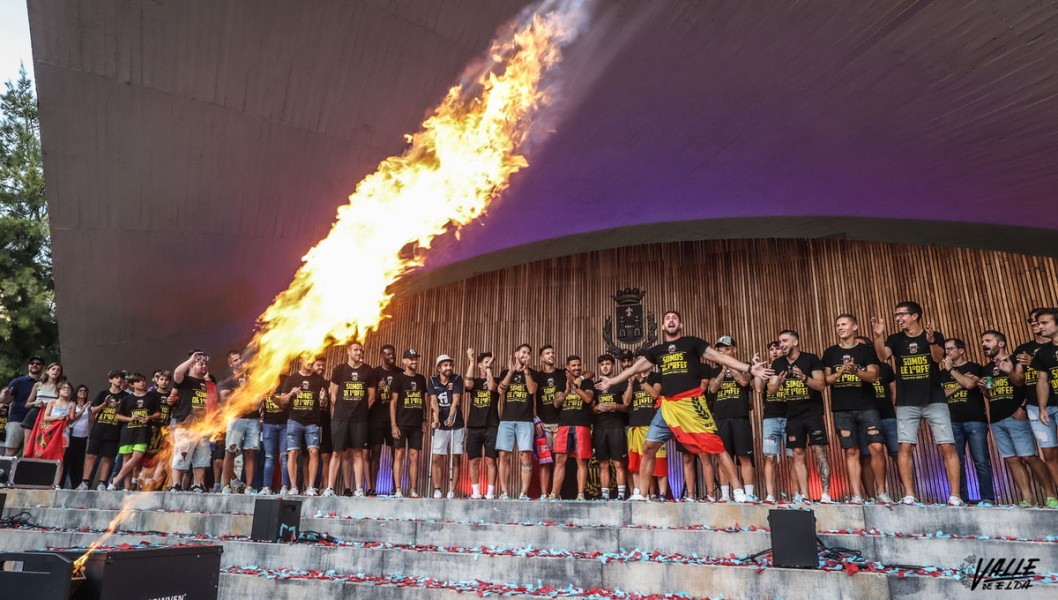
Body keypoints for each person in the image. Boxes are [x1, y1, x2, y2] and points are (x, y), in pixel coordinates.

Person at [595, 310, 770, 502]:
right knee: (648, 447)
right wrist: (611, 382)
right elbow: (634, 369)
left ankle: (738, 491)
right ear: (663, 326)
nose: (671, 320)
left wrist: (749, 368)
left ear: (681, 325)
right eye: (667, 318)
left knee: (716, 447)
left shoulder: (692, 343)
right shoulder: (657, 350)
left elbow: (718, 357)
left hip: (691, 403)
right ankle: (641, 495)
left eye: (674, 318)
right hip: (668, 406)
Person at [871, 300, 963, 505]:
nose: (898, 318)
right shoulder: (895, 339)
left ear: (915, 316)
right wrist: (878, 336)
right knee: (905, 447)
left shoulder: (934, 335)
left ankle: (955, 495)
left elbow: (939, 359)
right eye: (896, 315)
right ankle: (910, 494)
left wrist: (931, 341)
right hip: (906, 402)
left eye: (902, 314)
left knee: (947, 445)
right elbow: (881, 356)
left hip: (934, 398)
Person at [980, 330, 1058, 507]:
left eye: (988, 341)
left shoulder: (1015, 360)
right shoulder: (987, 367)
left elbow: (1023, 383)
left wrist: (1022, 408)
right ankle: (1028, 498)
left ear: (1000, 343)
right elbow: (989, 394)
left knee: (1029, 456)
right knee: (1011, 459)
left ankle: (1051, 494)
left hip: (1016, 415)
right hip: (997, 418)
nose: (984, 344)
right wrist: (984, 388)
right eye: (982, 342)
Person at [822, 315, 885, 504]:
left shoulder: (866, 350)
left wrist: (856, 371)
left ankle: (881, 492)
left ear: (855, 326)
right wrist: (841, 371)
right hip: (842, 409)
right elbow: (826, 380)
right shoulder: (830, 352)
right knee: (851, 451)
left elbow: (874, 376)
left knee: (876, 447)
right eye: (837, 325)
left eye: (844, 324)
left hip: (867, 407)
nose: (840, 328)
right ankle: (857, 495)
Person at [768, 330, 831, 503]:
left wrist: (804, 378)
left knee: (819, 452)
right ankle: (805, 495)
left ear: (795, 342)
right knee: (797, 453)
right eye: (780, 341)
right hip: (792, 415)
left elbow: (821, 385)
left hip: (813, 413)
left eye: (785, 340)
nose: (781, 344)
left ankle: (825, 493)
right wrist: (776, 384)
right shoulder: (778, 363)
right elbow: (771, 391)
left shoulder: (810, 359)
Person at [940, 338, 995, 505]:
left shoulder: (974, 367)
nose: (947, 352)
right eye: (946, 350)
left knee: (981, 460)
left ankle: (987, 498)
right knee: (957, 462)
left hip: (975, 420)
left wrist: (953, 371)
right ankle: (960, 497)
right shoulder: (942, 373)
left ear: (961, 350)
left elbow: (971, 384)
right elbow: (943, 394)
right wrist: (959, 385)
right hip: (952, 420)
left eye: (950, 349)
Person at [707, 337, 755, 502]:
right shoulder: (713, 371)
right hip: (720, 418)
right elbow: (712, 388)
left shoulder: (744, 366)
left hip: (740, 417)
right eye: (719, 349)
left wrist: (731, 365)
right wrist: (722, 369)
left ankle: (749, 495)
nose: (723, 351)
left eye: (726, 349)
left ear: (734, 349)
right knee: (723, 457)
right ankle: (726, 495)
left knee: (744, 457)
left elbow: (744, 381)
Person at [327, 342, 375, 497]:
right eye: (356, 350)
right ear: (349, 351)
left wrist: (359, 411)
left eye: (361, 350)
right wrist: (343, 409)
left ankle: (359, 489)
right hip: (340, 418)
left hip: (359, 420)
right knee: (337, 453)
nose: (359, 352)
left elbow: (372, 397)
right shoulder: (339, 370)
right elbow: (333, 394)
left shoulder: (368, 371)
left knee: (358, 453)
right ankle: (330, 488)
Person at [855, 335, 899, 500]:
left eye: (861, 346)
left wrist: (894, 410)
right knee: (866, 457)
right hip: (864, 416)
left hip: (887, 416)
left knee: (897, 454)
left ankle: (909, 494)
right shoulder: (853, 369)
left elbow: (894, 392)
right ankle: (871, 497)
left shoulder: (885, 368)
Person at [496, 344, 538, 500]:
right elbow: (501, 391)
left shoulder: (533, 373)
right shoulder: (506, 372)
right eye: (523, 352)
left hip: (525, 420)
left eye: (528, 353)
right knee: (504, 455)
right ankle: (504, 492)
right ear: (516, 354)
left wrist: (526, 371)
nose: (525, 354)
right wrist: (511, 371)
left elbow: (532, 390)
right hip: (506, 419)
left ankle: (523, 493)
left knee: (526, 456)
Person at [280, 355, 327, 496]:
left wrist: (323, 399)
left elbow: (324, 404)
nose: (310, 361)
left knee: (314, 452)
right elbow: (281, 402)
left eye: (312, 358)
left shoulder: (319, 380)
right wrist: (290, 394)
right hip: (294, 420)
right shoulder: (292, 379)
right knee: (292, 452)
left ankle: (311, 487)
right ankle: (293, 487)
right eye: (307, 358)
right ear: (300, 360)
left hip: (312, 422)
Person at [171, 351, 217, 493]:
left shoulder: (208, 384)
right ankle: (176, 485)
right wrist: (191, 359)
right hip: (186, 425)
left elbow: (214, 404)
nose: (204, 366)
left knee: (202, 459)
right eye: (200, 364)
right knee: (181, 455)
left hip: (203, 427)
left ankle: (197, 484)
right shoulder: (185, 380)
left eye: (205, 364)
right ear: (192, 366)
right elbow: (177, 373)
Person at [551, 355, 594, 500]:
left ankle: (580, 494)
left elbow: (588, 399)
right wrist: (567, 390)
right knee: (560, 460)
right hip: (564, 425)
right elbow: (556, 403)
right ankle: (555, 493)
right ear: (567, 368)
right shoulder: (561, 381)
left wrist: (575, 386)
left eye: (578, 365)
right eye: (573, 365)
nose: (576, 368)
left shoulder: (587, 382)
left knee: (581, 460)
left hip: (582, 424)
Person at [109, 373, 161, 491]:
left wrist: (149, 418)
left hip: (143, 432)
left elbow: (158, 413)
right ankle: (127, 487)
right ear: (132, 384)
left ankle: (116, 480)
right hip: (128, 432)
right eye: (138, 381)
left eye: (143, 380)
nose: (142, 383)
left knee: (137, 456)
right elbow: (117, 415)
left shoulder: (152, 397)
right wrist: (130, 419)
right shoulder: (127, 399)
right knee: (127, 459)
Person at [77, 370, 126, 490]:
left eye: (121, 378)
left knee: (108, 457)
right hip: (99, 429)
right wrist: (105, 403)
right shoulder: (103, 393)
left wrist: (118, 407)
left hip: (114, 430)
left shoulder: (126, 396)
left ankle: (102, 483)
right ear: (110, 380)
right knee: (91, 456)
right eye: (116, 377)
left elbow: (126, 414)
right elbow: (93, 410)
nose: (119, 379)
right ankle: (85, 482)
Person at [624, 359, 666, 499]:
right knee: (636, 462)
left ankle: (661, 494)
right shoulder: (632, 379)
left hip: (652, 424)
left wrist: (641, 380)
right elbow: (625, 402)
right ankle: (639, 492)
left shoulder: (656, 376)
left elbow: (655, 394)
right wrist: (630, 383)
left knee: (658, 461)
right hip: (635, 424)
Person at [390, 348, 428, 498]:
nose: (414, 361)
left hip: (416, 424)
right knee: (399, 454)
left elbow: (423, 401)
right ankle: (398, 489)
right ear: (404, 361)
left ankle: (413, 489)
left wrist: (424, 419)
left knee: (414, 455)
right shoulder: (398, 378)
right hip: (401, 423)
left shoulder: (421, 379)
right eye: (411, 359)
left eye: (415, 359)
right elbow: (392, 402)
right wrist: (393, 425)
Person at [221, 353, 259, 494]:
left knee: (250, 452)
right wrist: (241, 391)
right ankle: (226, 486)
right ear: (231, 363)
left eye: (241, 359)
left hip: (253, 419)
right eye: (235, 360)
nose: (239, 362)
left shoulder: (252, 378)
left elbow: (257, 400)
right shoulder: (229, 378)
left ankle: (249, 487)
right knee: (230, 451)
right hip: (236, 418)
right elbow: (225, 399)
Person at [428, 354, 464, 499]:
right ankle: (437, 489)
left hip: (456, 424)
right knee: (437, 457)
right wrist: (436, 419)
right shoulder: (432, 380)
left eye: (450, 365)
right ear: (439, 368)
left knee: (455, 458)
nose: (448, 367)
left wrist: (450, 417)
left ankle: (452, 490)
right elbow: (433, 402)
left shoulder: (457, 378)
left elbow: (456, 400)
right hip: (440, 425)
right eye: (445, 365)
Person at [464, 349, 500, 499]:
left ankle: (490, 492)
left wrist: (489, 369)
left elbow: (492, 388)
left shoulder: (495, 380)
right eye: (485, 363)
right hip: (474, 426)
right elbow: (467, 384)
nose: (488, 365)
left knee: (491, 459)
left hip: (491, 425)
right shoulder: (476, 382)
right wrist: (471, 362)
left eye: (490, 363)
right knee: (474, 460)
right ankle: (476, 492)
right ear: (479, 365)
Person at [593, 354, 628, 500]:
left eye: (608, 364)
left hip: (617, 427)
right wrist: (597, 408)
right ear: (599, 367)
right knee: (603, 464)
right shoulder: (596, 385)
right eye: (602, 364)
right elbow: (590, 408)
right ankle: (604, 495)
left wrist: (615, 406)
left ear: (613, 366)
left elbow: (627, 406)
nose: (605, 366)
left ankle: (621, 495)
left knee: (619, 463)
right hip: (600, 428)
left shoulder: (620, 383)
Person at [1030, 307, 1058, 489]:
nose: (1040, 327)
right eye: (1038, 323)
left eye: (1044, 323)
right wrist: (1041, 407)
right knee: (1048, 452)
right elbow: (1042, 380)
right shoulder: (1041, 352)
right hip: (1049, 407)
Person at [532, 344, 564, 500]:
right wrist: (536, 419)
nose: (551, 355)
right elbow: (532, 400)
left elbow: (586, 374)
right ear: (541, 358)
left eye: (552, 352)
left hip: (560, 423)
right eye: (547, 353)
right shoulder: (537, 377)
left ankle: (555, 493)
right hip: (543, 423)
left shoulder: (562, 374)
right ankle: (544, 494)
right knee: (544, 460)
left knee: (559, 458)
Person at [756, 341, 787, 502]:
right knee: (770, 456)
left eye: (777, 348)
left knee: (794, 456)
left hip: (790, 415)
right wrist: (758, 372)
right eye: (771, 349)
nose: (774, 351)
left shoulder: (790, 368)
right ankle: (770, 495)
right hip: (770, 417)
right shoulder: (767, 371)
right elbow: (759, 389)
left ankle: (798, 495)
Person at [369, 344, 401, 495]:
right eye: (388, 354)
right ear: (382, 356)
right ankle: (372, 488)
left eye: (392, 354)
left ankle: (396, 489)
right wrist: (379, 390)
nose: (391, 356)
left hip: (395, 420)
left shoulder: (400, 373)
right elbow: (369, 399)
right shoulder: (374, 373)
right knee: (375, 453)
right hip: (376, 419)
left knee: (397, 453)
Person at [4, 356, 44, 456]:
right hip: (17, 419)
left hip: (37, 422)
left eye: (38, 363)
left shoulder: (45, 384)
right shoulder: (17, 381)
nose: (35, 365)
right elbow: (6, 400)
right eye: (32, 363)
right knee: (10, 450)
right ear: (28, 366)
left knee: (31, 452)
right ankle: (3, 471)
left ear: (43, 367)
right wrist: (4, 395)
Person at [31, 380, 79, 464]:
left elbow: (71, 420)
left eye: (69, 388)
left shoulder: (72, 404)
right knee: (46, 455)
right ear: (58, 390)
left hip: (64, 433)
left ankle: (57, 477)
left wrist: (68, 419)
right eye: (64, 388)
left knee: (59, 459)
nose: (67, 390)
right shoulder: (52, 402)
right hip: (50, 432)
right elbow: (46, 418)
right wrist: (58, 417)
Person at [260, 376, 290, 495]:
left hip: (285, 424)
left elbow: (284, 403)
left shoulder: (286, 380)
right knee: (269, 457)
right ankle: (266, 487)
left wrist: (273, 397)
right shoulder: (263, 380)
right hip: (268, 424)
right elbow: (256, 404)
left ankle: (285, 486)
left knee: (284, 457)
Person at [63, 385, 92, 488]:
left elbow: (92, 420)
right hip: (71, 434)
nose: (83, 392)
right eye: (80, 390)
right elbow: (72, 419)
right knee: (67, 459)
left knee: (78, 461)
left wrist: (88, 410)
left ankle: (76, 484)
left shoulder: (89, 406)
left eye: (85, 391)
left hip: (83, 436)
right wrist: (82, 409)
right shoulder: (72, 404)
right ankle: (62, 483)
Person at [312, 357, 333, 491]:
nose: (321, 368)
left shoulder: (328, 383)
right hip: (309, 423)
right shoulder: (306, 382)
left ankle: (326, 488)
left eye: (323, 366)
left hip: (325, 422)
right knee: (309, 455)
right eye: (318, 365)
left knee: (326, 455)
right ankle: (311, 487)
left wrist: (327, 399)